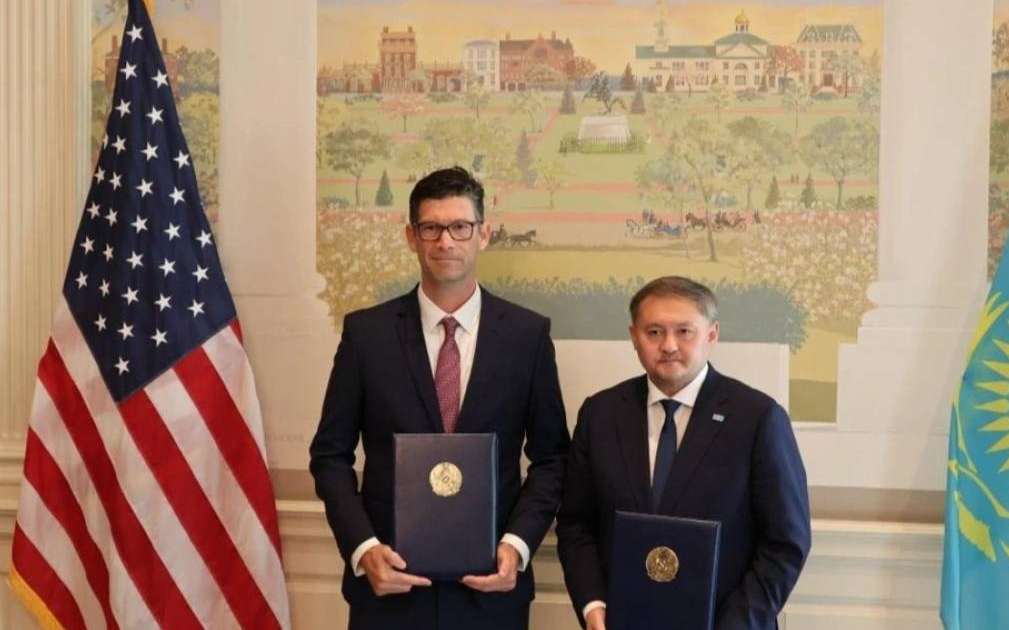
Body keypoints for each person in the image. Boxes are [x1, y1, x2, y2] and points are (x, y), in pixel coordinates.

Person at [310, 166, 570, 630]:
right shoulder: (366, 334)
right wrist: (364, 549)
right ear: (411, 236)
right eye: (431, 227)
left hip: (491, 590)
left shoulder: (528, 336)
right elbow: (330, 456)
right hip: (388, 588)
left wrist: (517, 545)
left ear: (483, 234)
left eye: (459, 227)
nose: (445, 241)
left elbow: (552, 459)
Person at [556, 276, 811, 630]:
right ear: (634, 336)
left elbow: (785, 543)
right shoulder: (600, 414)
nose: (669, 345)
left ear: (711, 335)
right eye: (654, 332)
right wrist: (593, 606)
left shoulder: (757, 418)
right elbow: (576, 525)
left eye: (685, 331)